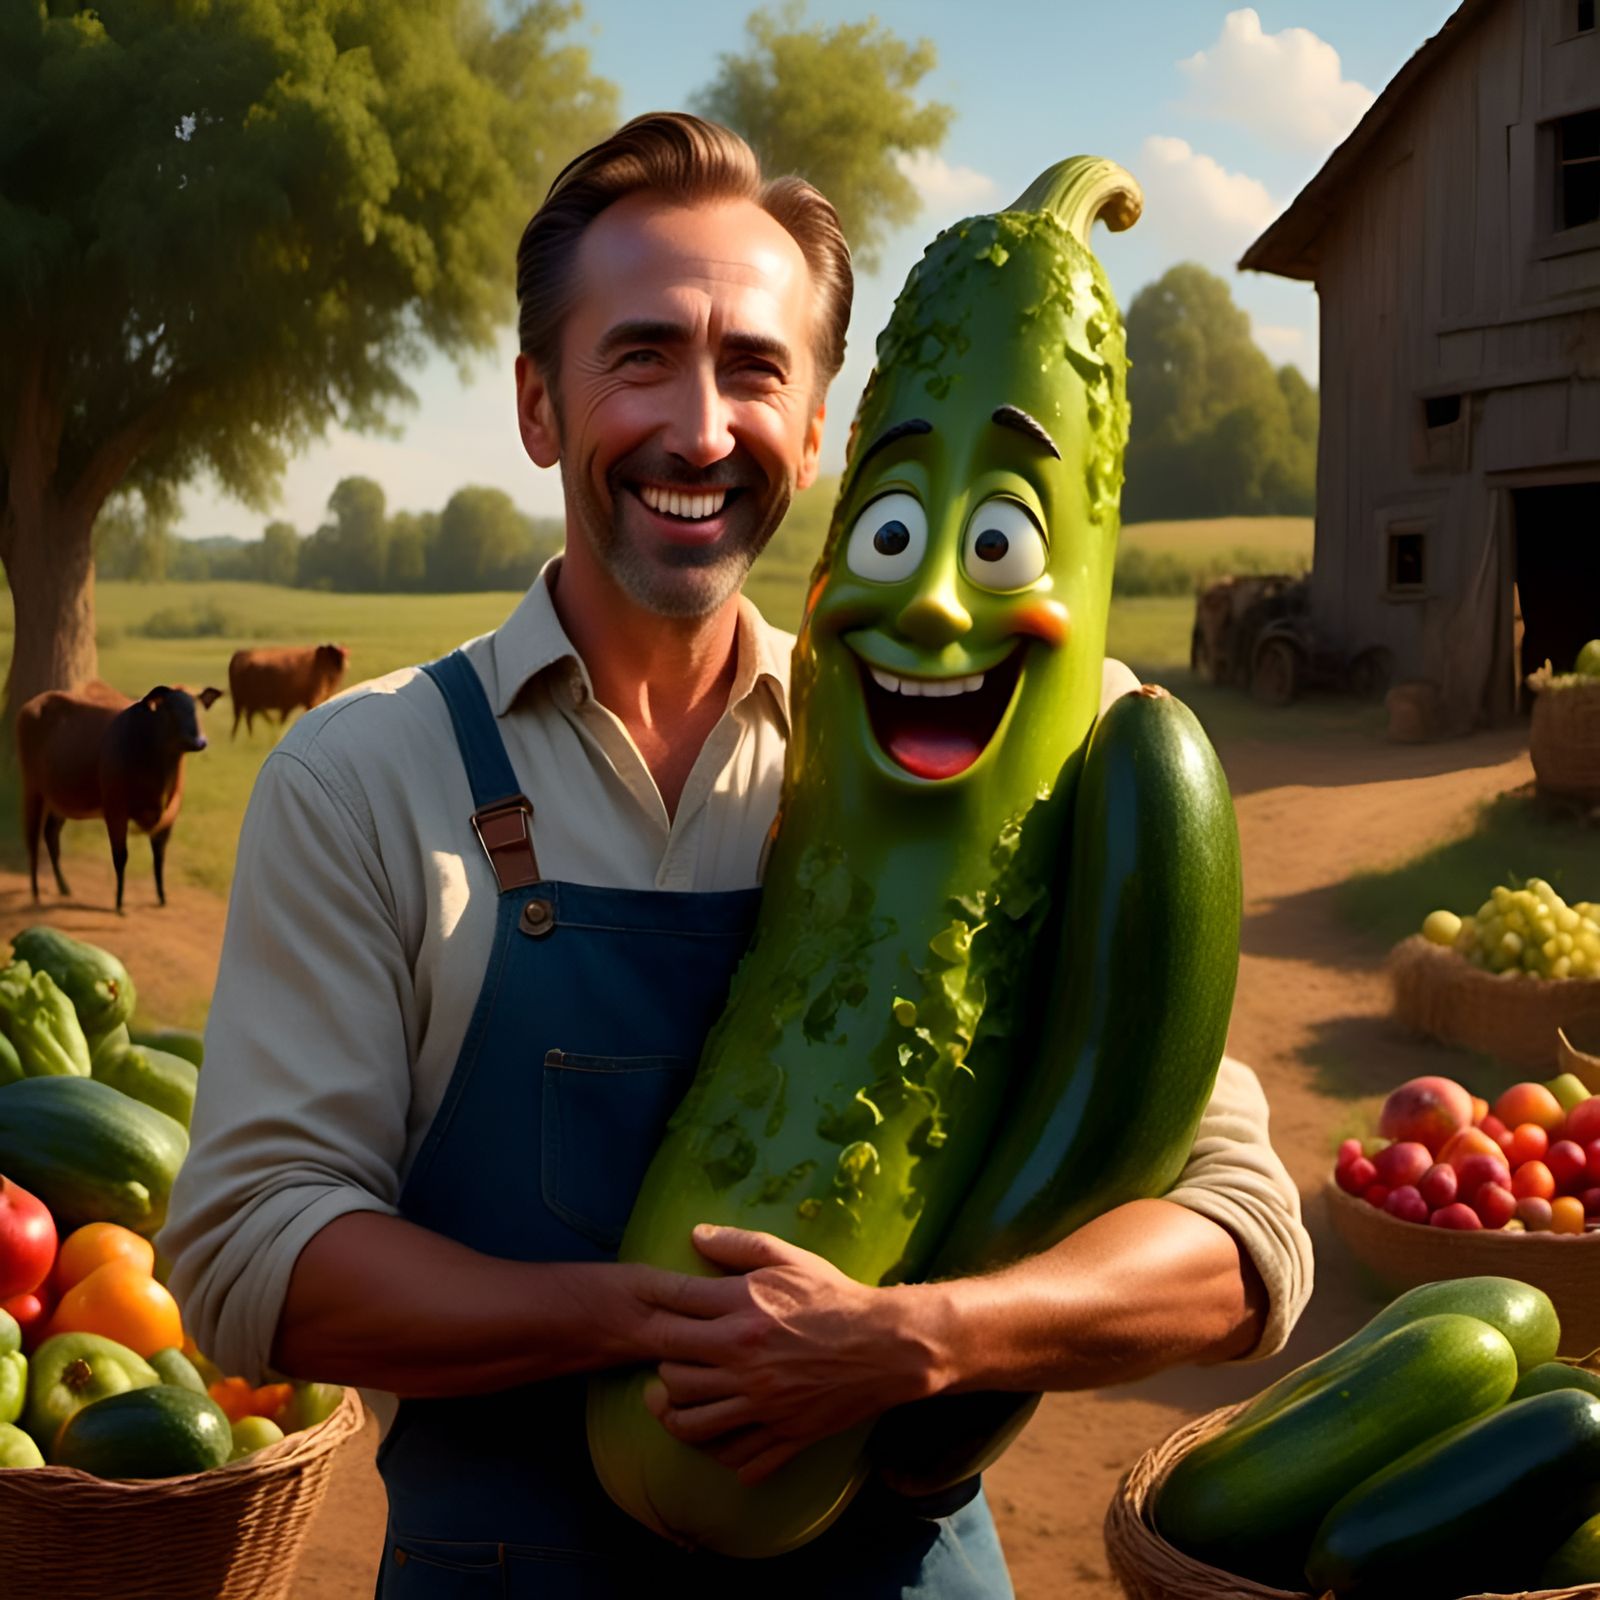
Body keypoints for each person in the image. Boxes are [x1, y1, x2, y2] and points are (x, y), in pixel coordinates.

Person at [160, 112, 1312, 1597]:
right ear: (536, 402)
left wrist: (917, 1342)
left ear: (820, 425)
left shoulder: (1035, 751)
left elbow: (1240, 1239)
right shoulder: (366, 775)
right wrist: (645, 1328)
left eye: (756, 370)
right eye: (641, 356)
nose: (702, 429)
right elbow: (256, 1255)